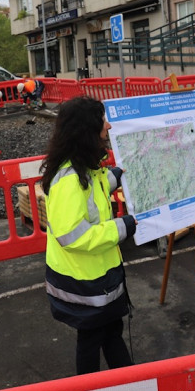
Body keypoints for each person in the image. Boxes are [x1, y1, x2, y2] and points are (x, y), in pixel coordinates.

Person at [40, 96, 137, 374]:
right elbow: (73, 235)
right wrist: (122, 227)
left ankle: (128, 380)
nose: (107, 125)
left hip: (98, 278)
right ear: (86, 130)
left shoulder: (85, 168)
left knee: (110, 331)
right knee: (93, 337)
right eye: (101, 121)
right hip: (83, 283)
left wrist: (114, 177)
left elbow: (93, 193)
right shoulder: (69, 178)